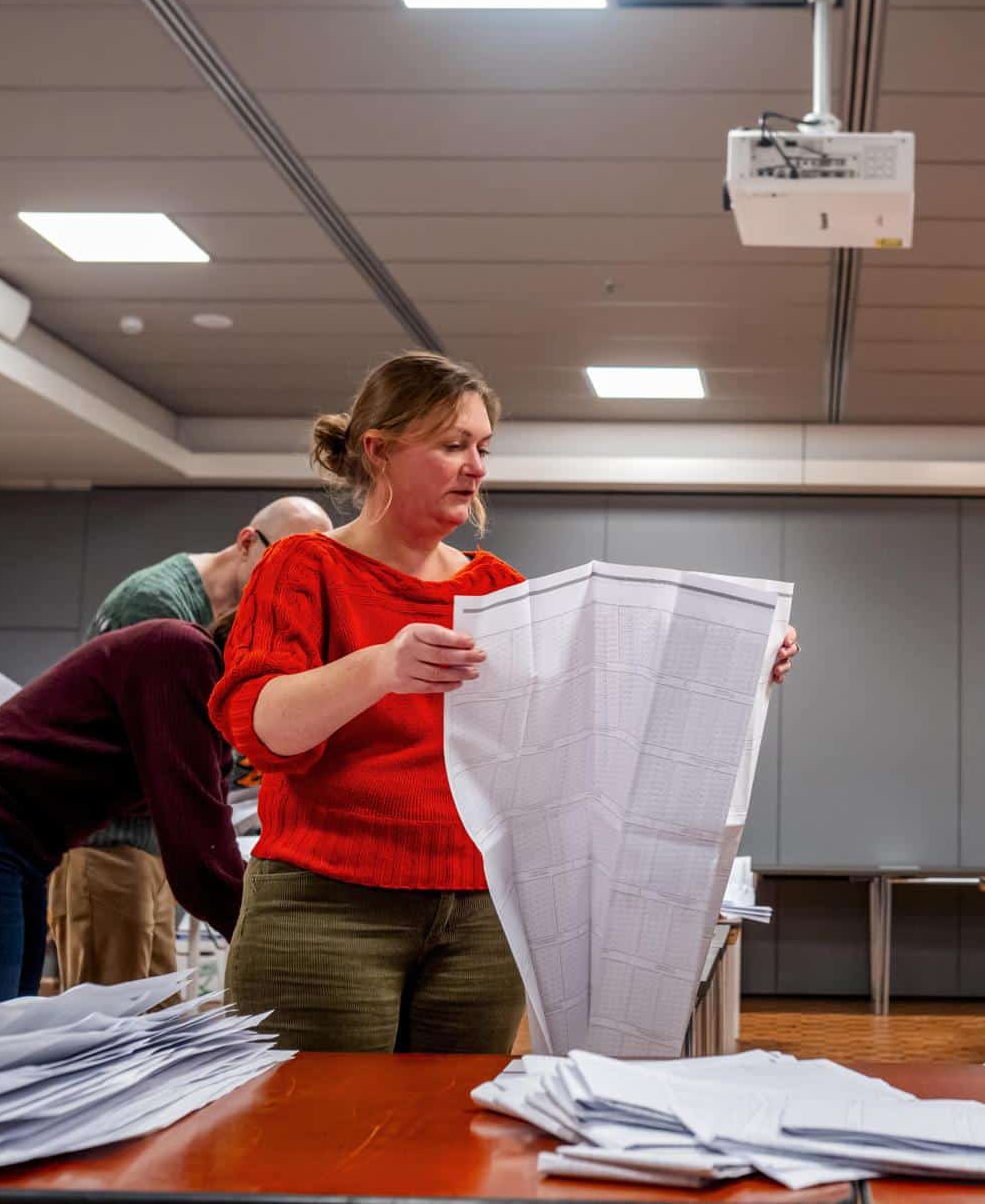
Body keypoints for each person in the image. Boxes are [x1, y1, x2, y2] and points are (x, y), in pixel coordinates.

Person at [210, 351, 800, 1053]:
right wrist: (380, 666)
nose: (477, 466)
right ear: (379, 451)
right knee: (319, 1148)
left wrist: (741, 657)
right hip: (327, 908)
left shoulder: (499, 590)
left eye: (483, 447)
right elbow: (260, 729)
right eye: (452, 444)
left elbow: (593, 718)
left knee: (453, 1150)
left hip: (481, 921)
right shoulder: (304, 566)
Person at [48, 495, 332, 991]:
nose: (287, 588)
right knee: (118, 1027)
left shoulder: (232, 619)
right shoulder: (157, 606)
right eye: (280, 564)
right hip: (107, 844)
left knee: (156, 1014)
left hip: (153, 844)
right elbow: (167, 748)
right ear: (247, 542)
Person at [0, 618, 245, 1000]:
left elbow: (203, 801)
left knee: (5, 1023)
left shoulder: (206, 692)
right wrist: (265, 935)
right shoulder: (182, 653)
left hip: (3, 841)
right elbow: (196, 841)